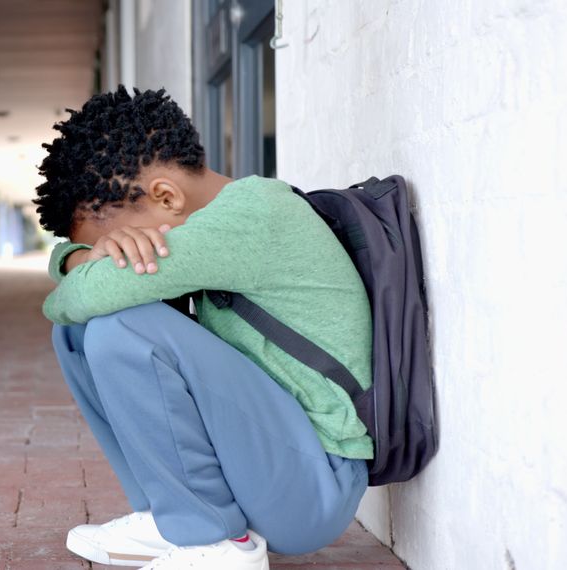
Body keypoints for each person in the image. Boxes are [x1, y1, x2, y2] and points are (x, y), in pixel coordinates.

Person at [34, 87, 371, 569]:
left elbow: (77, 296)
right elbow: (73, 307)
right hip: (279, 465)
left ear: (165, 196)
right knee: (79, 335)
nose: (122, 253)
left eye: (119, 245)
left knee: (122, 328)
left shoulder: (250, 216)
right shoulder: (226, 215)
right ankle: (171, 515)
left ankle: (213, 541)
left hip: (316, 484)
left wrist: (78, 268)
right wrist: (83, 256)